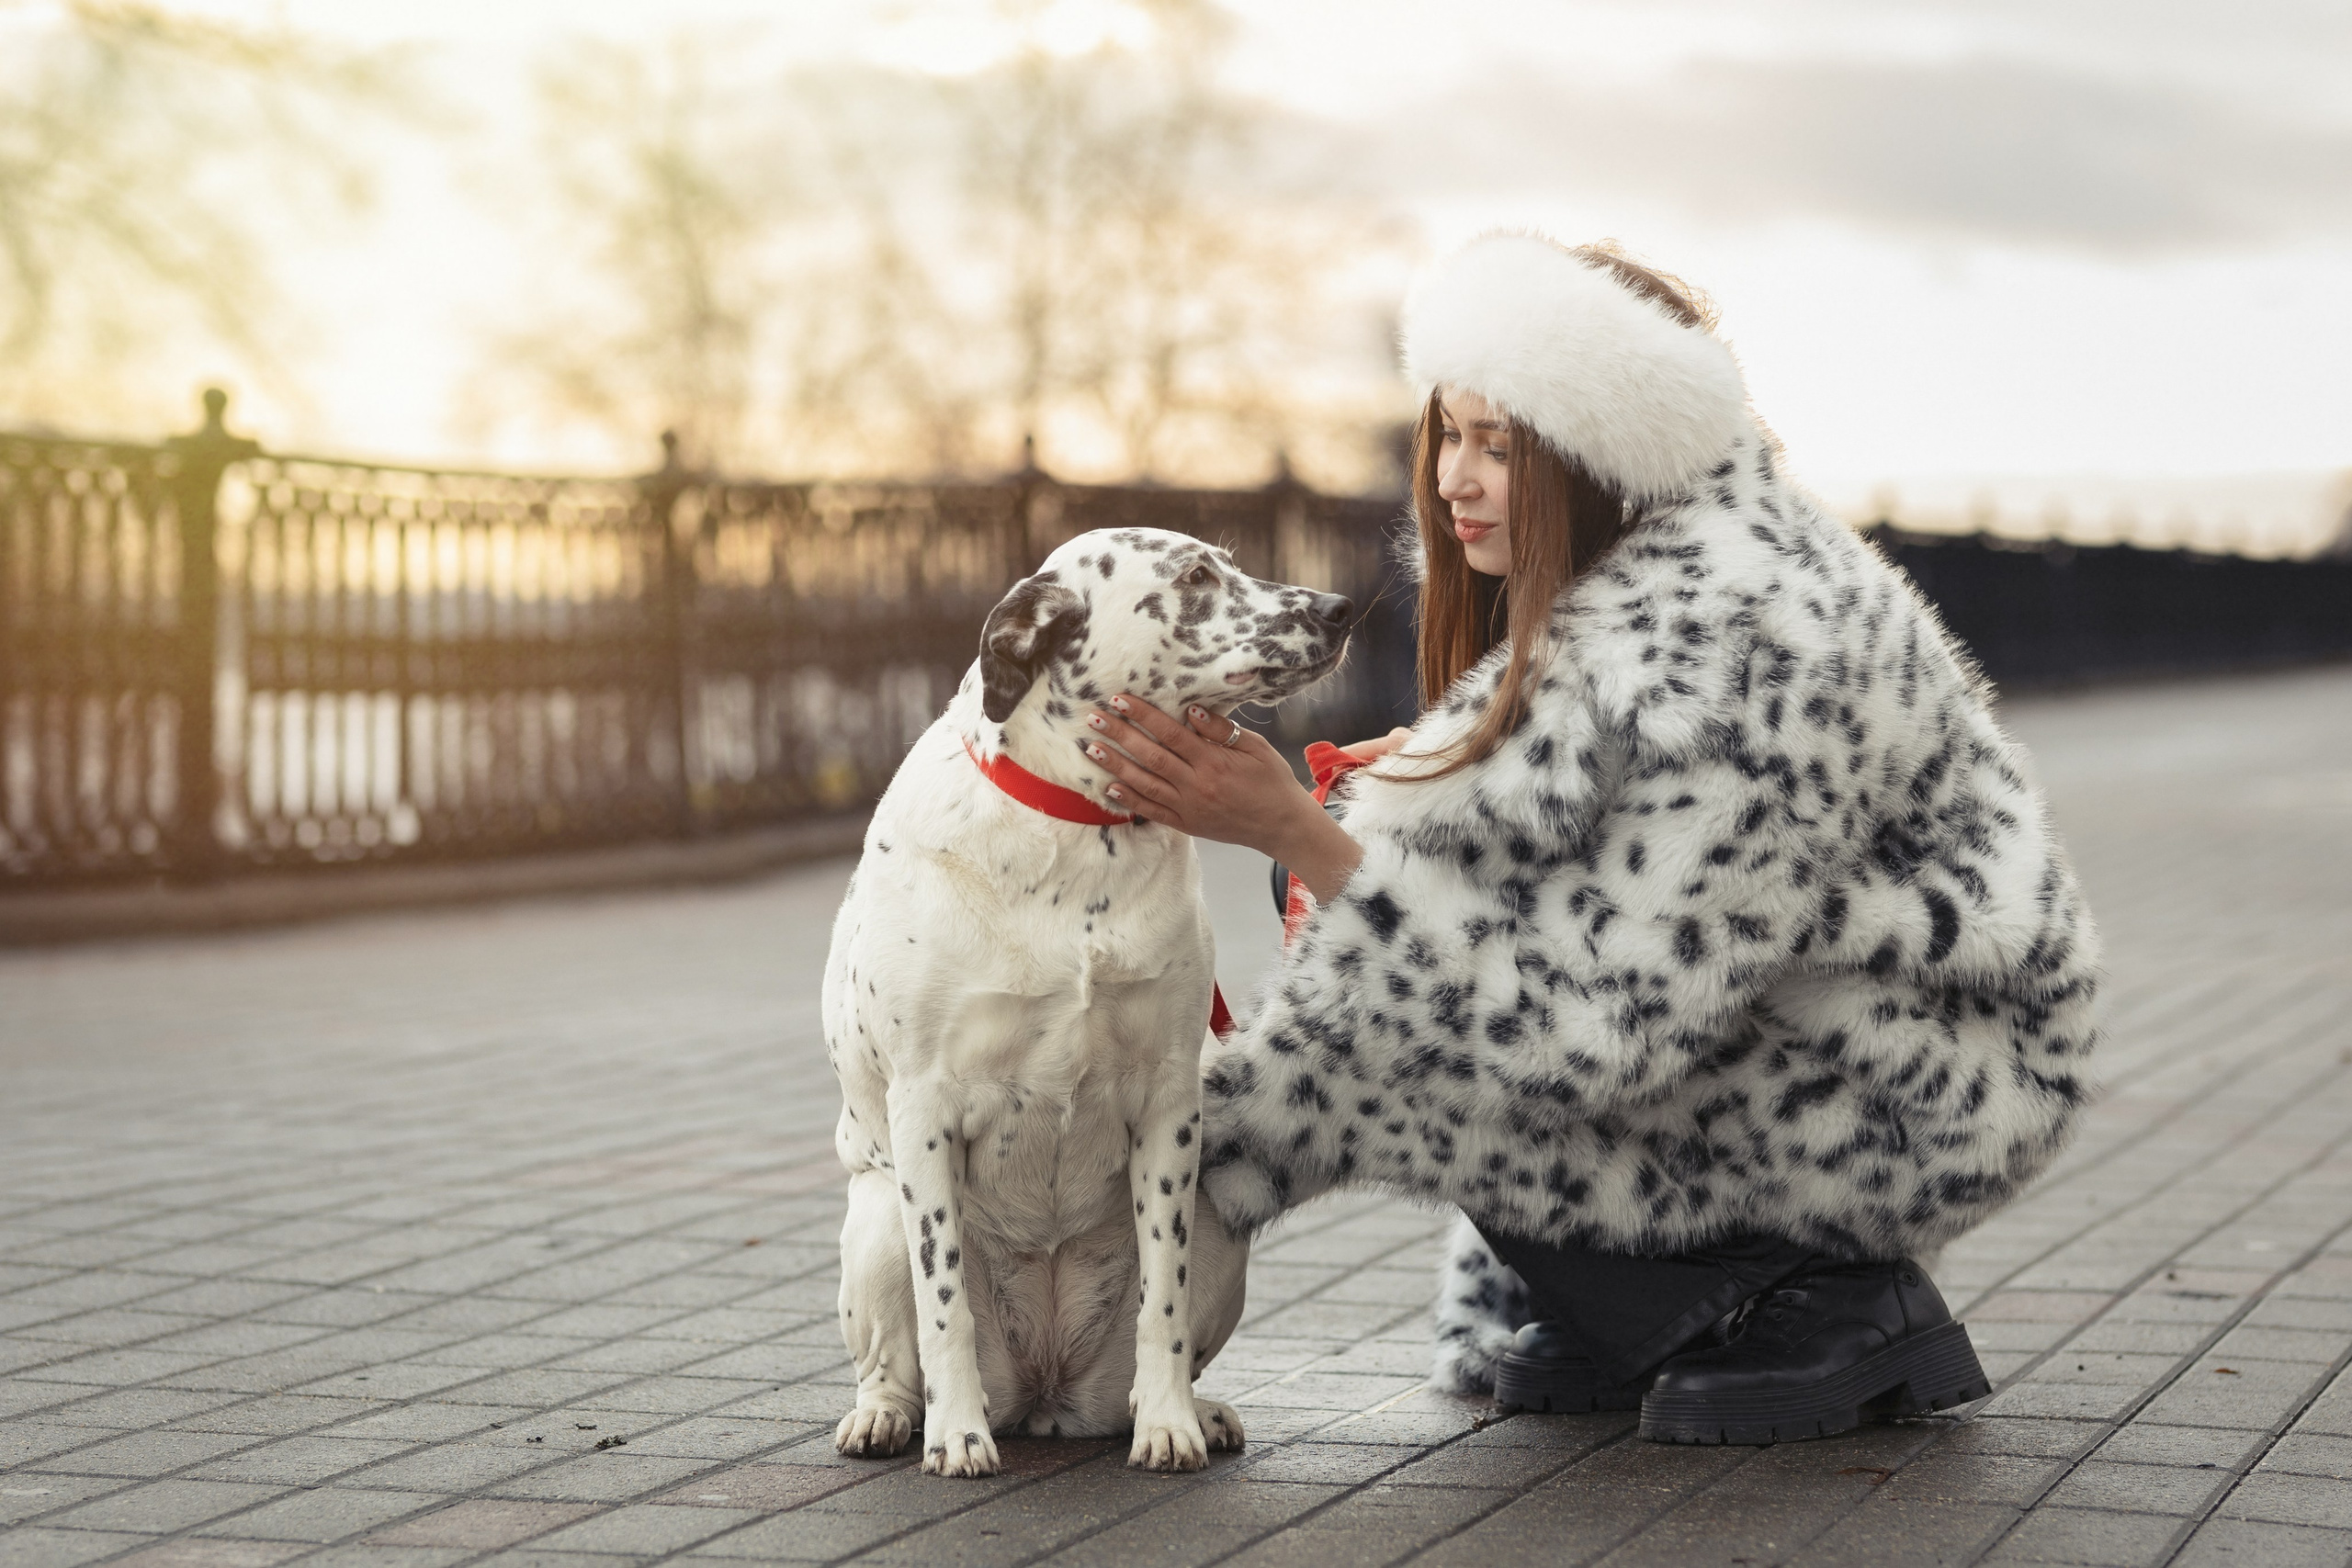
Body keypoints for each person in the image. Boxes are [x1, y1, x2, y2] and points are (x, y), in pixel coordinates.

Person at [1076, 233, 2099, 1445]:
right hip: (1754, 1029)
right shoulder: (1621, 603)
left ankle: (1818, 1296)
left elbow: (1603, 1016)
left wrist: (1299, 847)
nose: (1456, 476)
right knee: (1387, 889)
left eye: (1500, 447)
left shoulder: (1758, 635)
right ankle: (1647, 1302)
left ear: (1610, 456)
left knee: (1393, 925)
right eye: (1448, 433)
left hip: (1912, 1083)